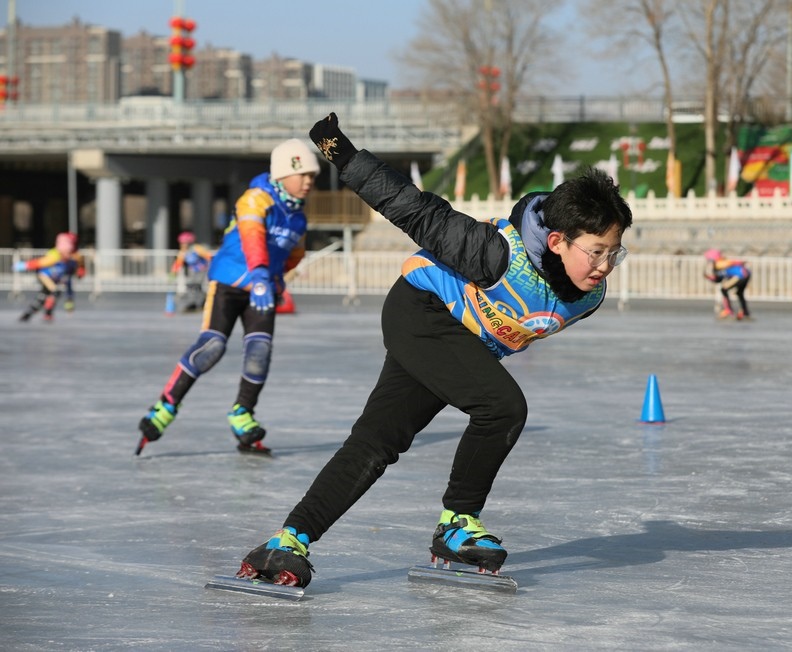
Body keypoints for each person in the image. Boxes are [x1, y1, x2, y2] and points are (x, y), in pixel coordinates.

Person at [236, 113, 633, 588]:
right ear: (556, 241)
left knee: (376, 441)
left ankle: (288, 540)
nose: (605, 265)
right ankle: (458, 522)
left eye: (614, 252)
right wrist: (342, 154)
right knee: (502, 407)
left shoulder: (588, 297)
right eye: (596, 251)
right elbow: (414, 209)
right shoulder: (493, 253)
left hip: (459, 341)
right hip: (421, 313)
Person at [136, 138, 320, 455]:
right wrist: (260, 274)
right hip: (230, 282)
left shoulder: (298, 217)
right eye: (302, 174)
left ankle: (242, 413)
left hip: (262, 288)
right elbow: (252, 235)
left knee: (259, 350)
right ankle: (166, 404)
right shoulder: (256, 199)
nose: (308, 181)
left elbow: (295, 254)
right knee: (212, 346)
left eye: (312, 176)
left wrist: (276, 277)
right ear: (282, 173)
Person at [13, 232, 85, 322]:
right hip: (45, 276)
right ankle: (37, 312)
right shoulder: (54, 256)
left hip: (57, 278)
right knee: (52, 292)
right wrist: (23, 265)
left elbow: (77, 269)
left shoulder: (72, 260)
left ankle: (40, 312)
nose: (67, 254)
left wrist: (80, 272)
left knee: (50, 294)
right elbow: (39, 263)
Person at [170, 231, 213, 312]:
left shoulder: (196, 248)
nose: (183, 245)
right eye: (181, 243)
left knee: (196, 285)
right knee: (192, 286)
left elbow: (209, 256)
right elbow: (178, 263)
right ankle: (195, 302)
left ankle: (201, 302)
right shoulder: (183, 252)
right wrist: (173, 273)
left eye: (184, 243)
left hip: (202, 270)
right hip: (192, 271)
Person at [703, 249, 752, 320]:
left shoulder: (719, 264)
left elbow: (731, 263)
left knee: (724, 289)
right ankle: (745, 312)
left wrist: (741, 262)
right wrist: (709, 278)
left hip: (740, 275)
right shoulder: (719, 264)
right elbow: (719, 279)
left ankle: (728, 311)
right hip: (745, 275)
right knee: (739, 293)